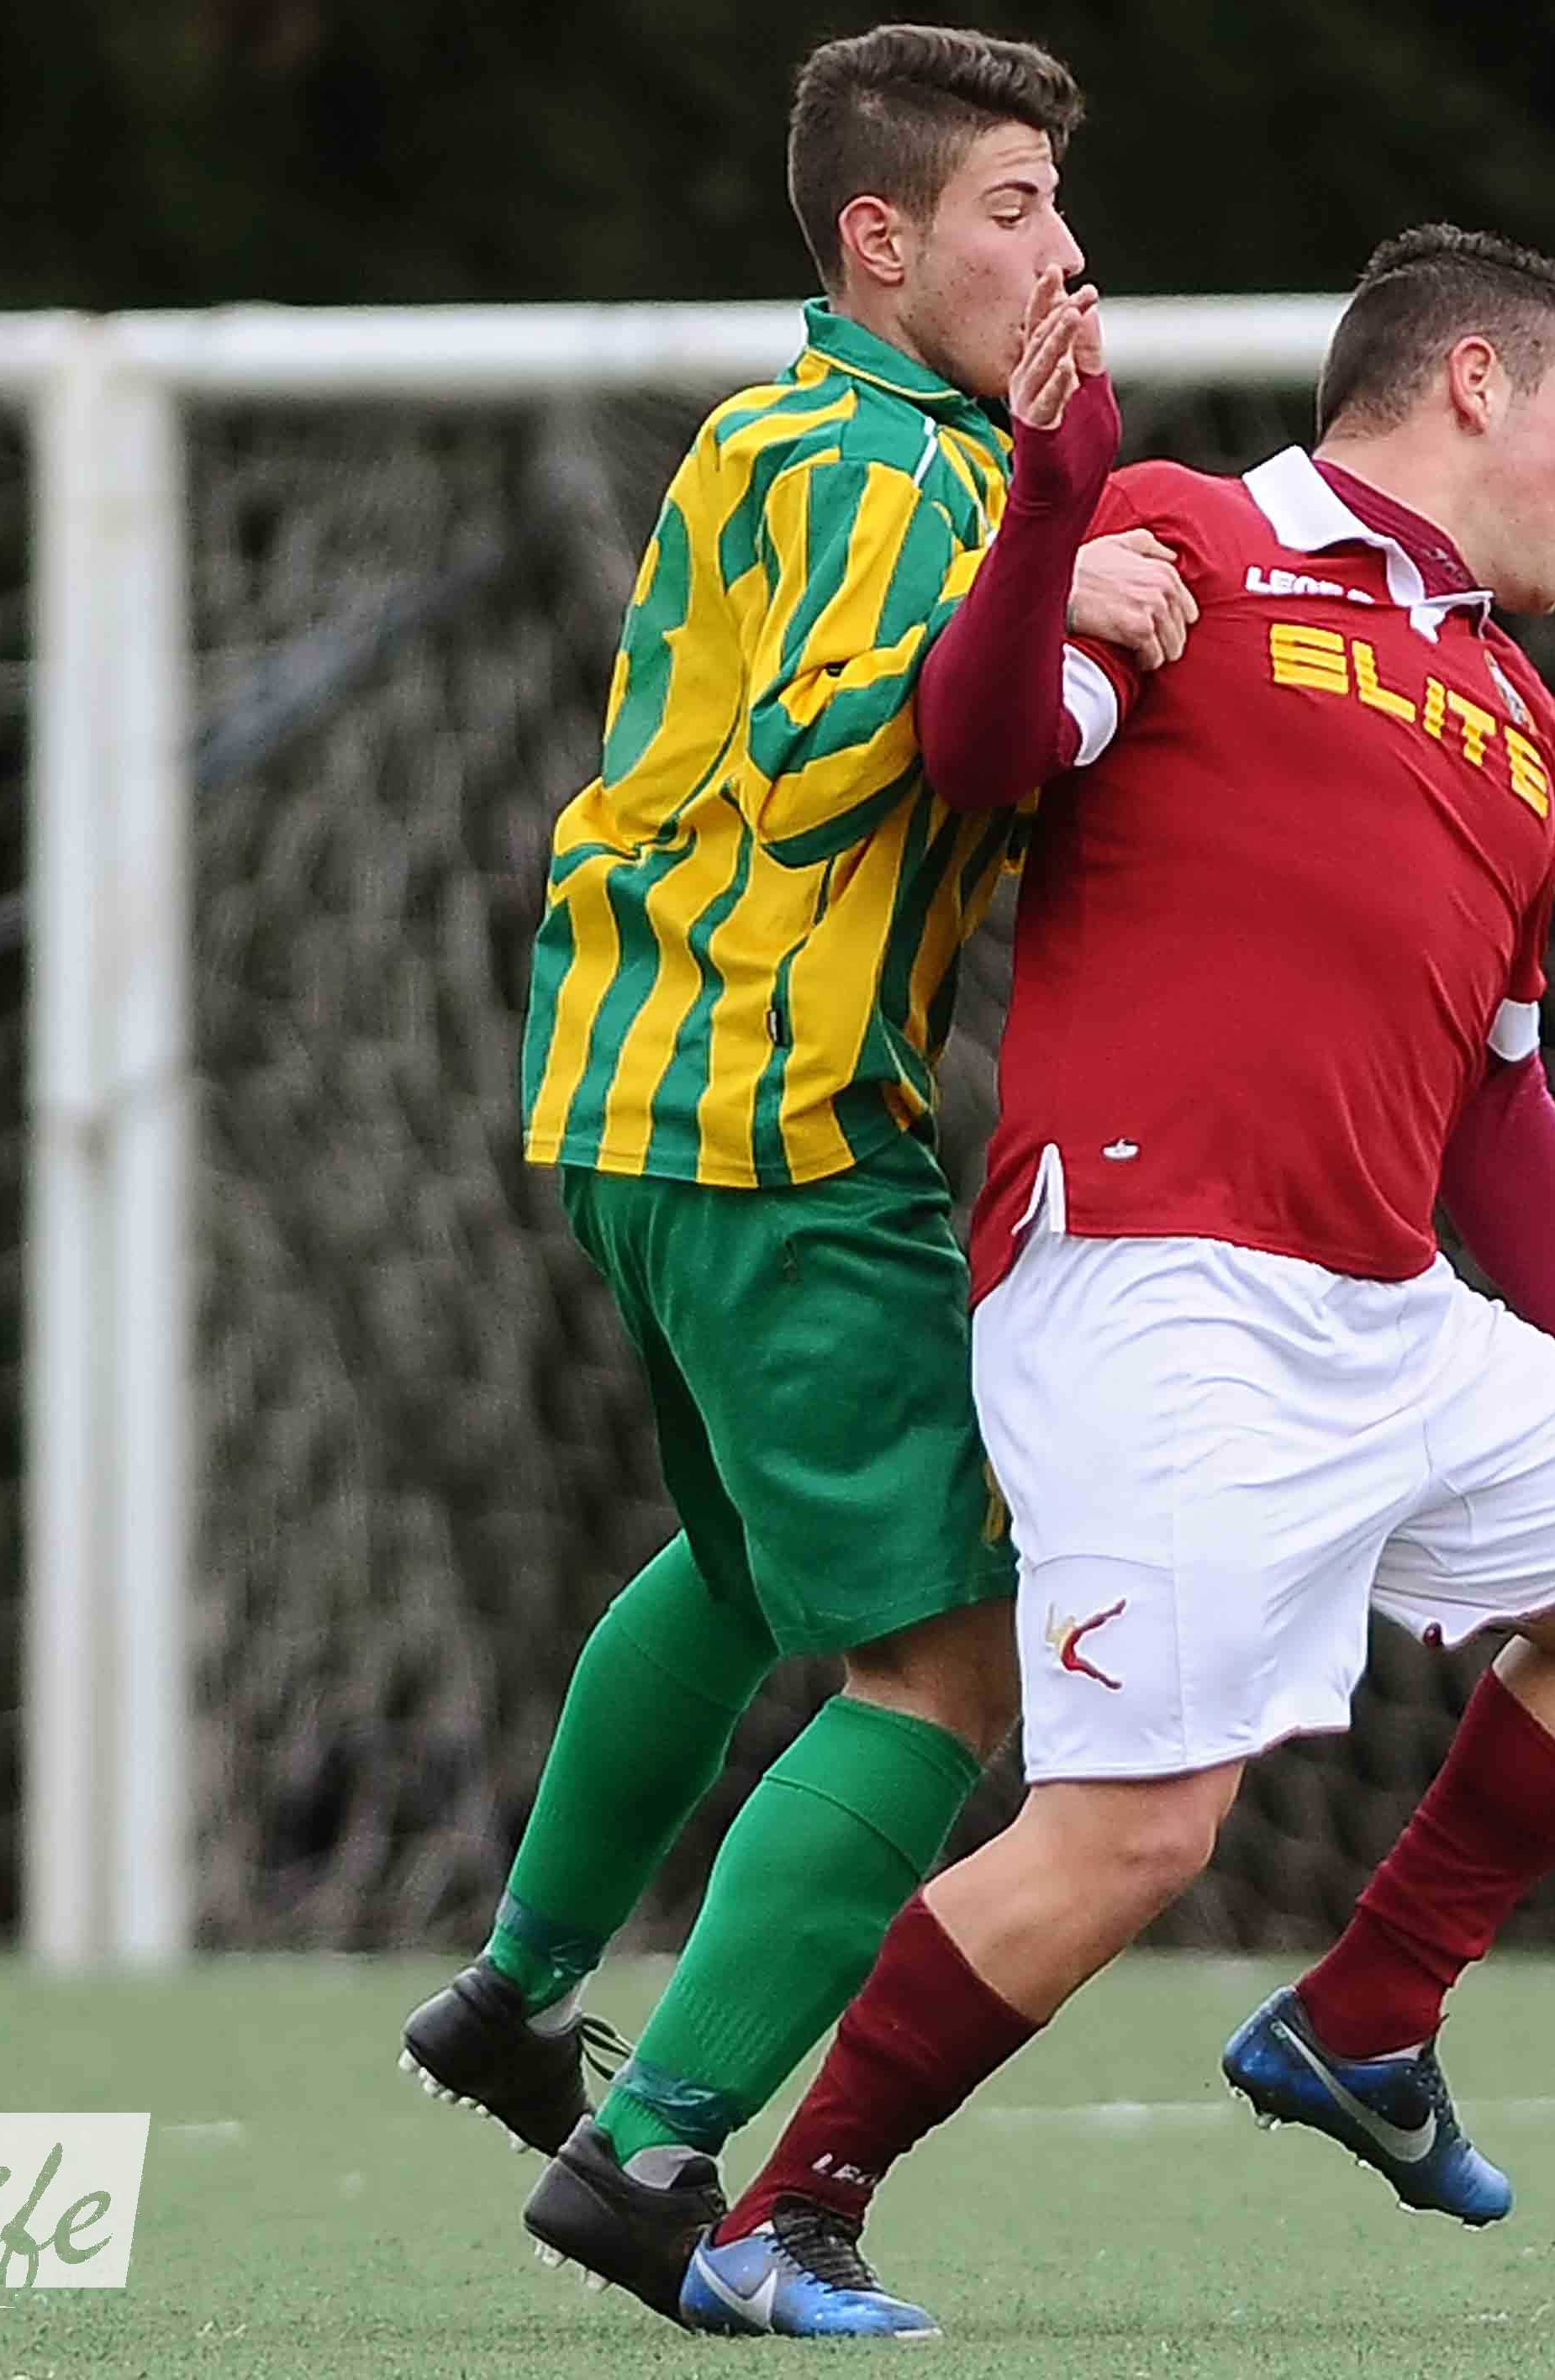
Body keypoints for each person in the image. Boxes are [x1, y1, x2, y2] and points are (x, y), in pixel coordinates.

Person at [667, 224, 1555, 2341]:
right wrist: (1048, 502)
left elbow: (1497, 1108)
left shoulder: (1529, 731)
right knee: (1137, 1832)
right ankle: (777, 2216)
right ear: (1471, 383)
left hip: (1385, 1314)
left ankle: (1366, 2018)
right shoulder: (1192, 532)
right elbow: (984, 745)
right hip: (1153, 1283)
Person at [389, 21, 1195, 2325]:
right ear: (880, 241)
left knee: (747, 1566)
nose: (1061, 253)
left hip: (640, 1099)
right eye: (1011, 210)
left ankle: (518, 1994)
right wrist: (1075, 600)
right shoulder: (889, 464)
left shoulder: (794, 434)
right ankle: (654, 2160)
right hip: (781, 1118)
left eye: (1059, 205)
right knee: (950, 1661)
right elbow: (854, 745)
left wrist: (1057, 576)